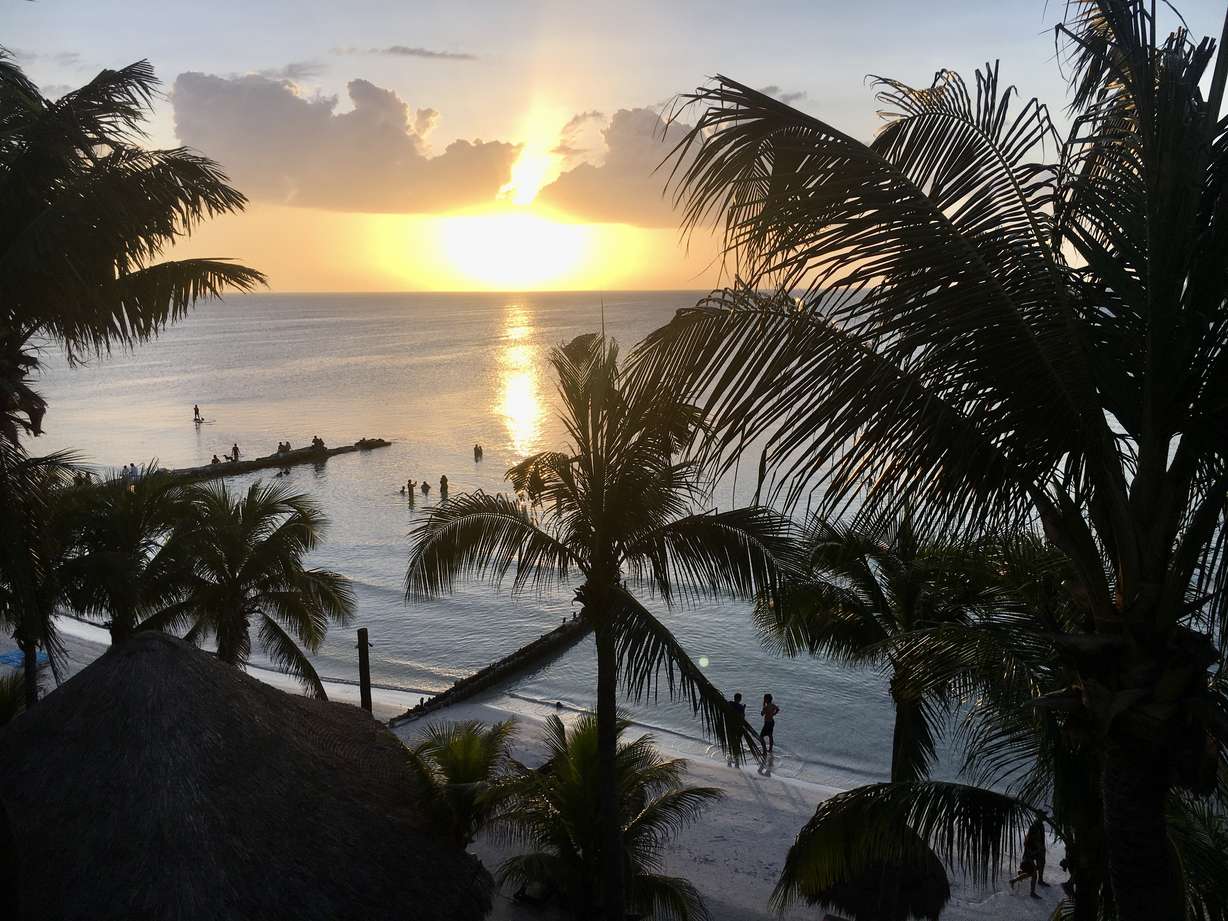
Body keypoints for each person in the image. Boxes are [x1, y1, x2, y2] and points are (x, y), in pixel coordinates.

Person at [1010, 814, 1049, 898]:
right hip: (1028, 859)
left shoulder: (1035, 840)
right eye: (1037, 833)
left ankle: (1014, 880)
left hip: (1030, 858)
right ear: (1034, 834)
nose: (1039, 834)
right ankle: (1032, 892)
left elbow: (1037, 847)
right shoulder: (1029, 842)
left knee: (1031, 873)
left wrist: (1040, 849)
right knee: (1034, 874)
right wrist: (1038, 851)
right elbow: (1029, 855)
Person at [727, 693, 747, 766]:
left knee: (731, 741)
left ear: (734, 698)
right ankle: (736, 757)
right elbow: (742, 717)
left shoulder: (730, 703)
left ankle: (730, 756)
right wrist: (744, 708)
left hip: (731, 725)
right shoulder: (741, 707)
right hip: (738, 726)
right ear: (740, 699)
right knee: (737, 742)